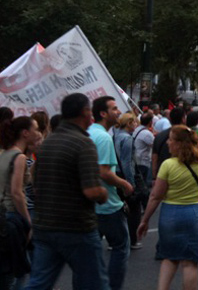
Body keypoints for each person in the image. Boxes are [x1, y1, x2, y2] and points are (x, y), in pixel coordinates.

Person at [25, 93, 109, 289]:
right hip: (76, 227)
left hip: (45, 226)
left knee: (39, 283)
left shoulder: (47, 145)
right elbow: (91, 191)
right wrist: (103, 194)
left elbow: (34, 182)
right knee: (95, 283)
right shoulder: (83, 143)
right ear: (85, 113)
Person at [137, 125, 198, 290]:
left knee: (169, 258)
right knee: (190, 263)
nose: (168, 142)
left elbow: (155, 196)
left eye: (171, 139)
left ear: (179, 143)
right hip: (196, 213)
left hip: (171, 214)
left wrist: (144, 220)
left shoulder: (168, 165)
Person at [88, 96, 134, 290]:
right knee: (121, 247)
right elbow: (104, 172)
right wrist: (125, 184)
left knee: (91, 251)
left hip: (90, 202)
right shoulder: (104, 137)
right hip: (107, 204)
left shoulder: (88, 132)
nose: (119, 112)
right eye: (114, 109)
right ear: (103, 113)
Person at [0, 116, 41, 287]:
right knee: (17, 269)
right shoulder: (19, 157)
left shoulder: (6, 153)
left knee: (7, 269)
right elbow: (17, 193)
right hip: (12, 216)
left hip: (3, 213)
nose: (38, 133)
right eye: (36, 129)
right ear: (25, 133)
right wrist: (28, 220)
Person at [113, 113, 144, 250]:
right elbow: (127, 163)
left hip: (115, 173)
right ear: (129, 123)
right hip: (125, 175)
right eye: (134, 123)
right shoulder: (127, 139)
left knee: (118, 207)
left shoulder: (115, 135)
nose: (136, 125)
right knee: (134, 208)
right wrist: (131, 183)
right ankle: (132, 239)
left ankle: (114, 239)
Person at [152, 108, 186, 181]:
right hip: (182, 176)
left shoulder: (160, 136)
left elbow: (154, 158)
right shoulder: (188, 136)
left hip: (162, 175)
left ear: (169, 119)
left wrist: (154, 177)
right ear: (183, 119)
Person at [134, 113, 155, 187]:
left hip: (136, 159)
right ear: (150, 122)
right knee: (146, 184)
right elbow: (155, 145)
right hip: (144, 162)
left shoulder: (136, 129)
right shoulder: (147, 133)